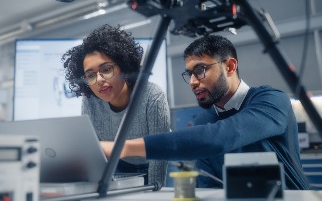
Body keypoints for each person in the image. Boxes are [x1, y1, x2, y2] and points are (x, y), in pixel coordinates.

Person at [101, 35, 310, 190]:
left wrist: (124, 147)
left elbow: (223, 136)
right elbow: (208, 184)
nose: (192, 82)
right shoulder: (204, 118)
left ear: (229, 66)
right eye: (189, 74)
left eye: (200, 70)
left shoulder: (271, 100)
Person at [61, 24, 170, 186]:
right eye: (90, 75)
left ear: (124, 67)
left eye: (106, 69)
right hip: (117, 166)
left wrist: (154, 191)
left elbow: (159, 153)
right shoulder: (90, 102)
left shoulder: (152, 96)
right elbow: (95, 153)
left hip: (151, 164)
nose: (99, 79)